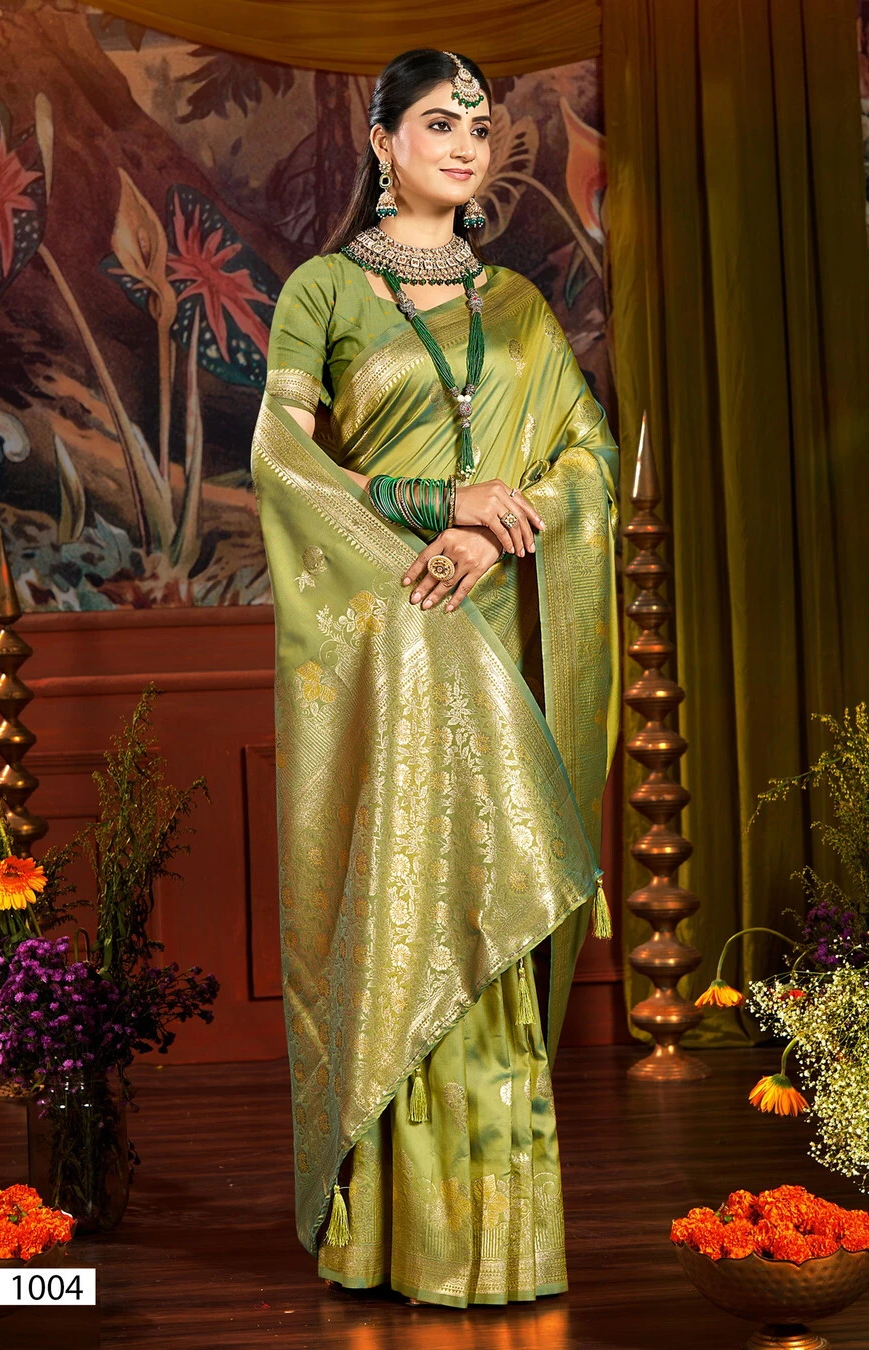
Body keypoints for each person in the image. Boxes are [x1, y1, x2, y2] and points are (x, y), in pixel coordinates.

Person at [251, 47, 619, 1309]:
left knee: (491, 917)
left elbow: (584, 458)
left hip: (495, 633)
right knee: (409, 917)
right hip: (391, 643)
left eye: (480, 125)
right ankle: (389, 1234)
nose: (466, 146)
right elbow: (284, 463)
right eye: (437, 123)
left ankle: (498, 1246)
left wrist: (495, 531)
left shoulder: (514, 304)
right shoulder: (323, 292)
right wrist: (431, 505)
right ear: (381, 140)